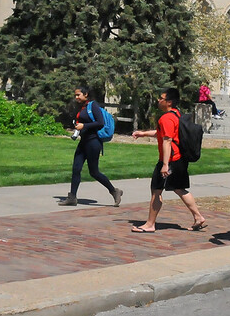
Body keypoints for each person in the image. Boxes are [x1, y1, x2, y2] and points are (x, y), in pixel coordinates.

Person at [129, 88, 207, 233]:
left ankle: (150, 224)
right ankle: (198, 217)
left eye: (161, 98)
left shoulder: (166, 118)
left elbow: (167, 140)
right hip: (179, 159)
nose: (159, 100)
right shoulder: (176, 115)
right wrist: (143, 133)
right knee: (180, 189)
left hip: (170, 160)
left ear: (169, 102)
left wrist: (165, 165)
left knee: (156, 191)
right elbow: (162, 133)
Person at [59, 86, 123, 207]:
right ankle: (72, 197)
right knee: (76, 169)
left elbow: (100, 123)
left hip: (94, 142)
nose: (76, 97)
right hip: (83, 142)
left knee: (94, 172)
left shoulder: (93, 105)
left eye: (78, 95)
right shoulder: (81, 107)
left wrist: (84, 126)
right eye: (75, 95)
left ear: (86, 94)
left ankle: (114, 191)